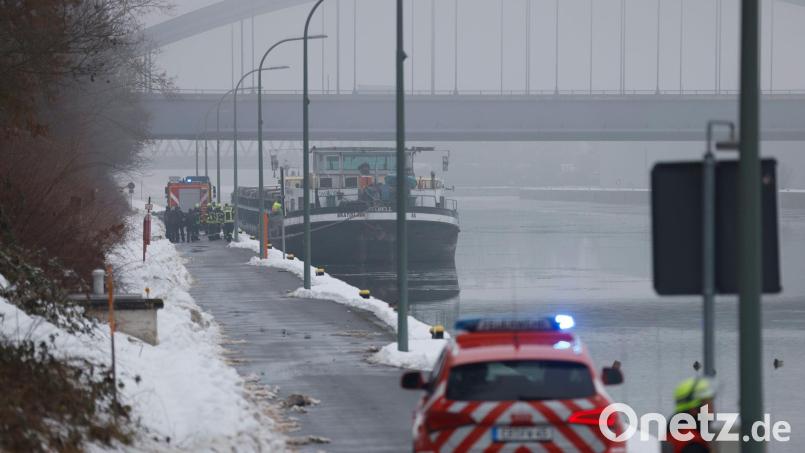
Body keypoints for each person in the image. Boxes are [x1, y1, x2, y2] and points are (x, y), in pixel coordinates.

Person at [668, 377, 716, 453]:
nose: (712, 411)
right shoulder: (694, 446)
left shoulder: (674, 436)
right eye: (708, 405)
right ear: (694, 409)